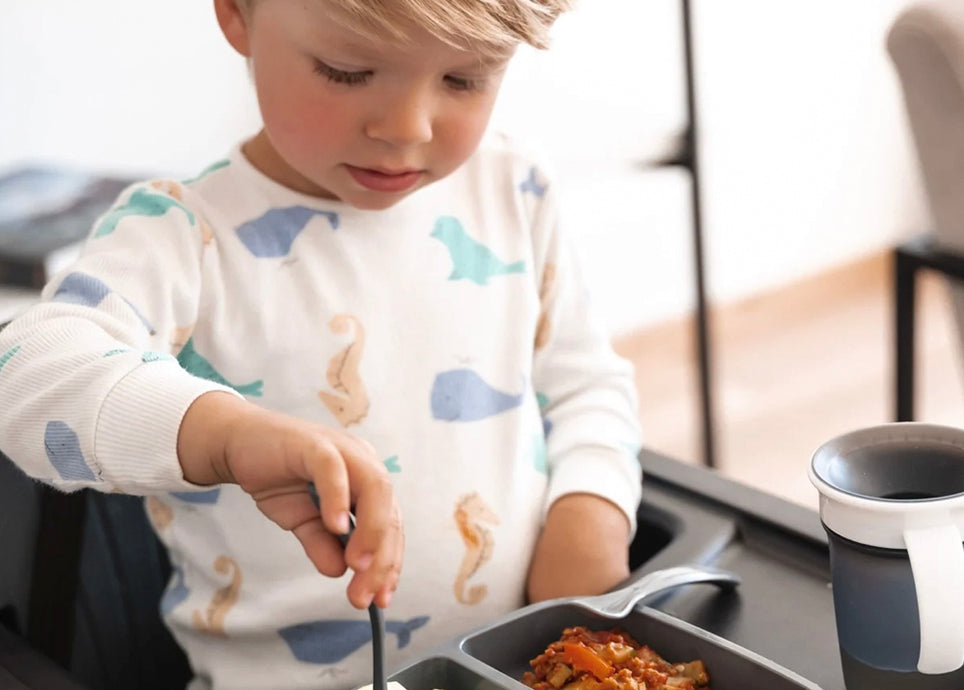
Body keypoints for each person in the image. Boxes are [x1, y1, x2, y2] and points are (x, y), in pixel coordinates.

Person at [0, 0, 643, 688]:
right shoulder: (182, 237)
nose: (406, 129)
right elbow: (29, 375)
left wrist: (592, 513)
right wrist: (224, 434)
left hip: (511, 668)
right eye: (346, 71)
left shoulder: (514, 186)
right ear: (237, 14)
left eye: (465, 79)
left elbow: (586, 383)